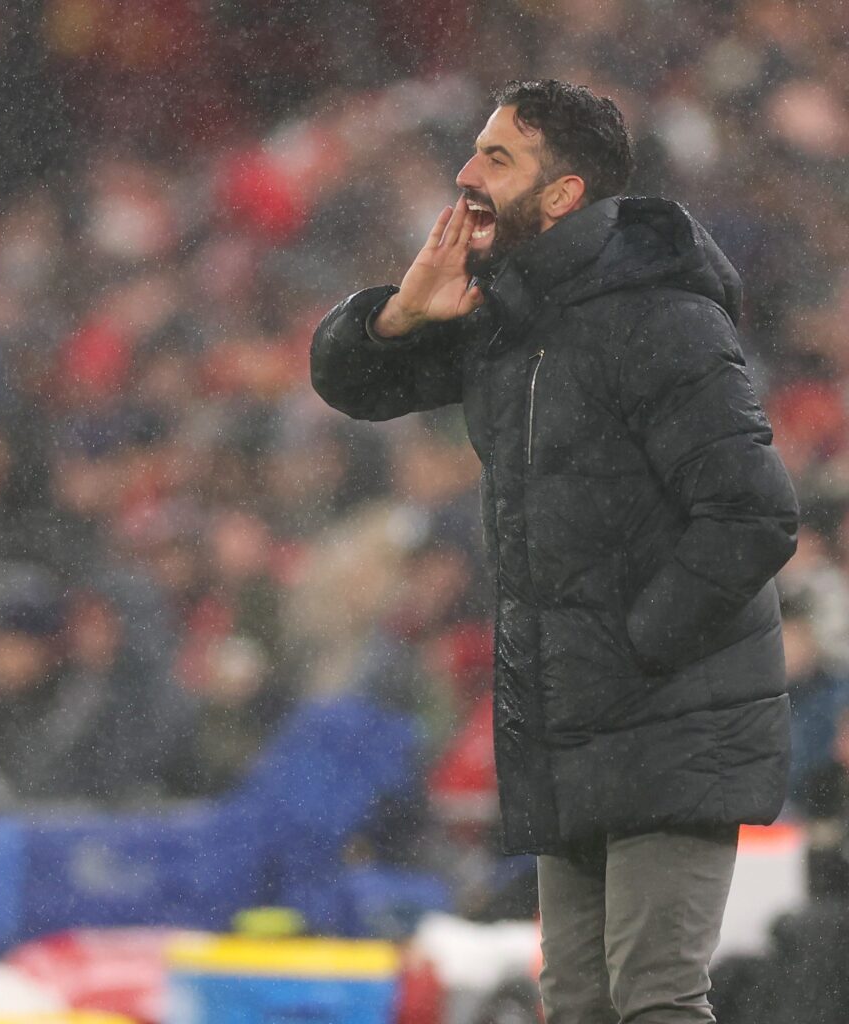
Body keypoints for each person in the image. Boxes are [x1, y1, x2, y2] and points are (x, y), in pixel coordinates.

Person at [310, 80, 798, 1023]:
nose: (466, 174)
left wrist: (637, 646)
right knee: (576, 1002)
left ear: (565, 193)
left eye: (497, 158)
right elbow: (356, 387)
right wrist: (400, 314)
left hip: (671, 718)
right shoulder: (509, 319)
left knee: (654, 999)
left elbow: (752, 513)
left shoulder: (664, 317)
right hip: (569, 721)